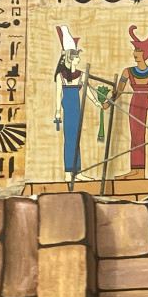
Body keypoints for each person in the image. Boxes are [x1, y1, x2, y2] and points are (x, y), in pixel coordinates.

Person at [107, 20, 148, 180]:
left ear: (144, 53)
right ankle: (135, 169)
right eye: (134, 50)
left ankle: (140, 171)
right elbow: (119, 91)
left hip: (144, 104)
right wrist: (108, 102)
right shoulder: (128, 71)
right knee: (135, 136)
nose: (134, 53)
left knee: (140, 136)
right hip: (134, 104)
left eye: (137, 50)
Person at [54, 25, 98, 182]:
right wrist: (57, 112)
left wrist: (96, 102)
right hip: (68, 110)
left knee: (76, 139)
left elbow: (89, 90)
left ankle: (77, 172)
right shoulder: (61, 76)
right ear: (71, 59)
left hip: (76, 110)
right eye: (77, 57)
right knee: (70, 141)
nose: (79, 59)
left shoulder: (81, 75)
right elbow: (58, 94)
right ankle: (68, 173)